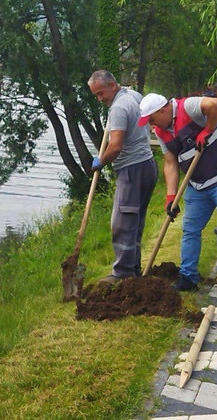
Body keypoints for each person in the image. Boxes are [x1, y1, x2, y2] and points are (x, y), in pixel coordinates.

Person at [137, 93, 217, 304]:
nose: (150, 125)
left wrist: (207, 130)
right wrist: (171, 197)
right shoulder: (161, 131)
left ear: (163, 110)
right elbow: (170, 163)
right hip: (198, 184)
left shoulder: (188, 107)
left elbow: (215, 104)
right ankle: (188, 277)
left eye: (152, 119)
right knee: (190, 229)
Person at [87, 70, 158, 284]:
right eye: (96, 96)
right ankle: (133, 268)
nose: (100, 99)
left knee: (122, 223)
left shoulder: (118, 107)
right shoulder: (134, 96)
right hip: (148, 165)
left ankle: (122, 273)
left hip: (132, 169)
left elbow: (116, 146)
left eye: (101, 93)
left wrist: (102, 161)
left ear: (112, 85)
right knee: (135, 221)